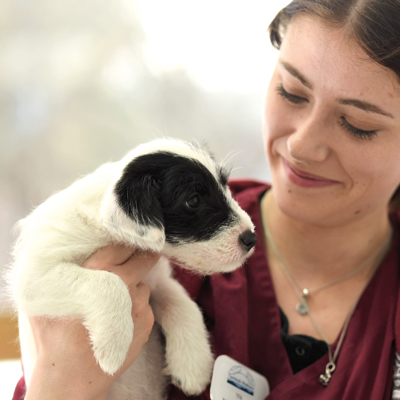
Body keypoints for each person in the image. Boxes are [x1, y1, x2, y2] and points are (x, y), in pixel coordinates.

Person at [12, 0, 400, 398]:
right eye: (292, 92)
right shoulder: (140, 246)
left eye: (358, 125)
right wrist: (60, 386)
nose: (301, 145)